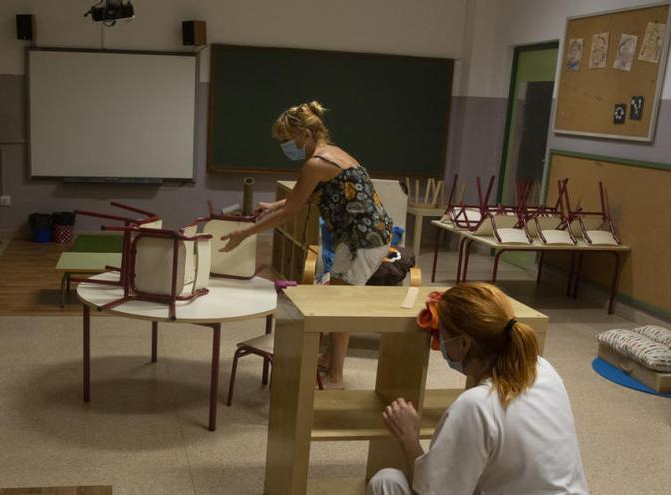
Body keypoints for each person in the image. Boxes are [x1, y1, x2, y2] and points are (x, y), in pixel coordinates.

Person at [220, 100, 395, 389]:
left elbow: (291, 210)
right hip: (358, 237)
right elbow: (298, 199)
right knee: (336, 298)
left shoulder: (315, 164)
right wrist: (273, 204)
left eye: (287, 140)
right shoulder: (333, 154)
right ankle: (328, 358)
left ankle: (335, 377)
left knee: (340, 305)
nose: (286, 147)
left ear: (305, 135)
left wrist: (245, 233)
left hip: (364, 240)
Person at [370, 282, 588, 495]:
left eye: (443, 336)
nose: (441, 342)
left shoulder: (476, 405)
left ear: (465, 343)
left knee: (386, 482)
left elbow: (434, 490)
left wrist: (408, 436)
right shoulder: (540, 367)